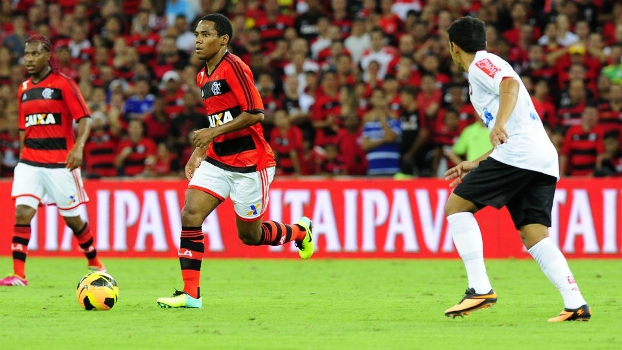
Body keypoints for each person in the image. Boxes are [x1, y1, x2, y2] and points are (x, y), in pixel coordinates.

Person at [156, 14, 313, 309]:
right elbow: (218, 118)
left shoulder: (235, 68)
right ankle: (191, 295)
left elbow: (255, 112)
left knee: (250, 237)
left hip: (251, 163)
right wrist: (200, 151)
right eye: (196, 34)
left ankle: (300, 232)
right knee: (190, 214)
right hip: (218, 160)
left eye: (205, 34)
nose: (198, 40)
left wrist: (212, 132)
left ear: (223, 39)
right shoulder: (203, 75)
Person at [442, 17, 590, 322]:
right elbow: (515, 127)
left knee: (457, 205)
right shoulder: (485, 66)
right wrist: (478, 161)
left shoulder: (481, 64)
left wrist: (497, 124)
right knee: (535, 235)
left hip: (521, 154)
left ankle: (479, 289)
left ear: (454, 48)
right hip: (541, 157)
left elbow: (510, 85)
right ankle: (576, 303)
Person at [1, 35, 105, 287]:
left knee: (72, 219)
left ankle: (94, 262)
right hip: (30, 162)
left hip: (60, 163)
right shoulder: (24, 88)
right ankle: (18, 275)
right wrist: (24, 156)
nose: (29, 59)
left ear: (48, 56)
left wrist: (78, 148)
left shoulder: (63, 84)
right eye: (26, 54)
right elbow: (24, 128)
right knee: (22, 211)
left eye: (35, 54)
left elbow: (85, 118)